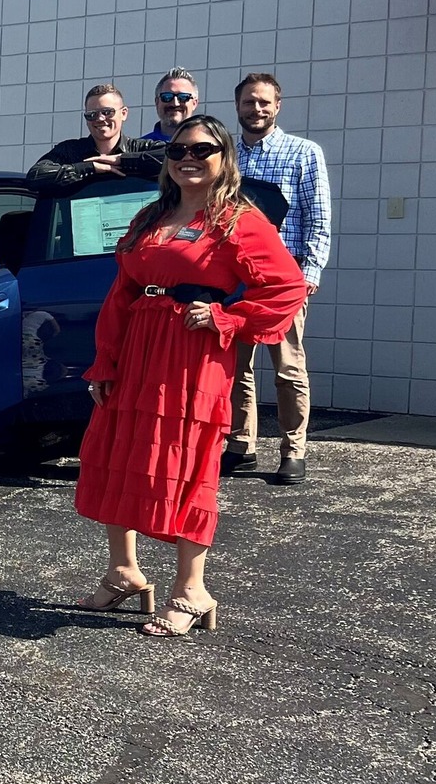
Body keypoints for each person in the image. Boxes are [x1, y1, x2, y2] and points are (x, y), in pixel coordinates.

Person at [73, 115, 306, 637]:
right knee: (120, 454)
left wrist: (229, 317)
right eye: (179, 150)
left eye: (202, 150)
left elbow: (287, 287)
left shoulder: (238, 220)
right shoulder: (151, 215)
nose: (188, 158)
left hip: (192, 355)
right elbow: (122, 292)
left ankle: (191, 590)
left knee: (187, 463)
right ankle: (124, 571)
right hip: (137, 350)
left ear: (225, 158)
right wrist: (106, 361)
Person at [227, 72, 332, 486]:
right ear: (237, 106)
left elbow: (318, 218)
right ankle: (241, 445)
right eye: (249, 102)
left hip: (284, 277)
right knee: (236, 367)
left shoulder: (303, 153)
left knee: (288, 368)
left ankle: (293, 450)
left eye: (264, 102)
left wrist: (310, 272)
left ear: (277, 106)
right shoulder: (225, 154)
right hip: (234, 277)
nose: (256, 109)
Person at [26, 85, 164, 190]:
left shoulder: (140, 148)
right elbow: (35, 176)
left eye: (107, 112)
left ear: (124, 113)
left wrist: (123, 160)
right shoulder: (70, 151)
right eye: (92, 114)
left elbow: (171, 157)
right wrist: (87, 168)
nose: (100, 119)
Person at [142, 70, 201, 142]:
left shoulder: (205, 146)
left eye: (183, 97)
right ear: (157, 102)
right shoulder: (140, 147)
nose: (175, 104)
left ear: (194, 103)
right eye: (167, 96)